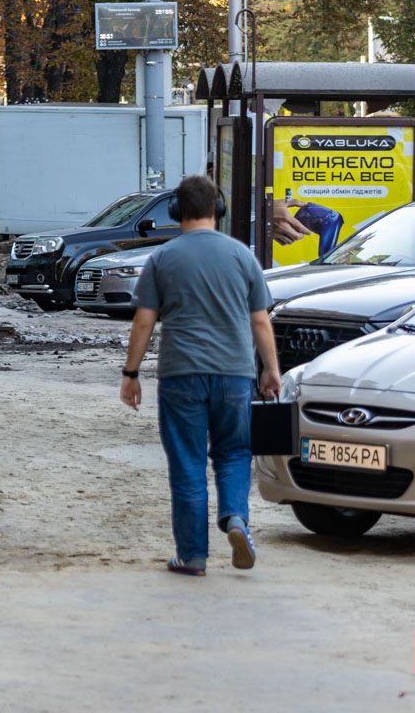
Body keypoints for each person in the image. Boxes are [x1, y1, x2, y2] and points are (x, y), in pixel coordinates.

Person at [120, 175, 282, 577]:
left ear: (176, 210)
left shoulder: (162, 257)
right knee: (234, 453)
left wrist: (131, 372)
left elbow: (143, 321)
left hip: (181, 374)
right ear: (218, 209)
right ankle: (236, 519)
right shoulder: (243, 256)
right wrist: (272, 370)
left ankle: (192, 556)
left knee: (188, 462)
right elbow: (260, 321)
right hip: (234, 373)